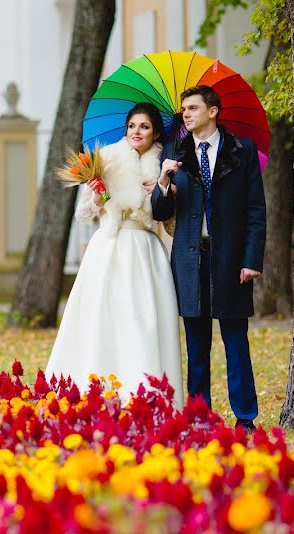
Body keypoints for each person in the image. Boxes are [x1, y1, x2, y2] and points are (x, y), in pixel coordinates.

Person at [45, 102, 183, 410]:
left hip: (146, 252)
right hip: (109, 246)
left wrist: (163, 190)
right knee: (104, 317)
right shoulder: (106, 159)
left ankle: (145, 393)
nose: (137, 132)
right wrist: (97, 195)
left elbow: (171, 223)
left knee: (143, 321)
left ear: (155, 132)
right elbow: (83, 214)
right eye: (133, 126)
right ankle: (98, 389)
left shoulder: (165, 164)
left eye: (144, 127)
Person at [150, 85, 266, 432]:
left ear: (213, 111)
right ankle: (200, 419)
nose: (185, 114)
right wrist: (164, 180)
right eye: (184, 109)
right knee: (197, 350)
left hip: (230, 261)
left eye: (193, 108)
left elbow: (256, 211)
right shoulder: (174, 153)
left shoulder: (242, 150)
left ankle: (245, 418)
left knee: (235, 343)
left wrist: (251, 259)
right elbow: (160, 212)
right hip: (189, 260)